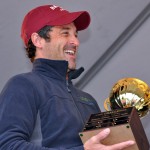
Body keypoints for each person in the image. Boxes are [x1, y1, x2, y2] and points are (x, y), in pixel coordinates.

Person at [0, 4, 135, 150]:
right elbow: (7, 145)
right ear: (38, 40)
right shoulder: (23, 85)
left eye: (76, 35)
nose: (76, 42)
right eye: (65, 33)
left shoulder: (89, 100)